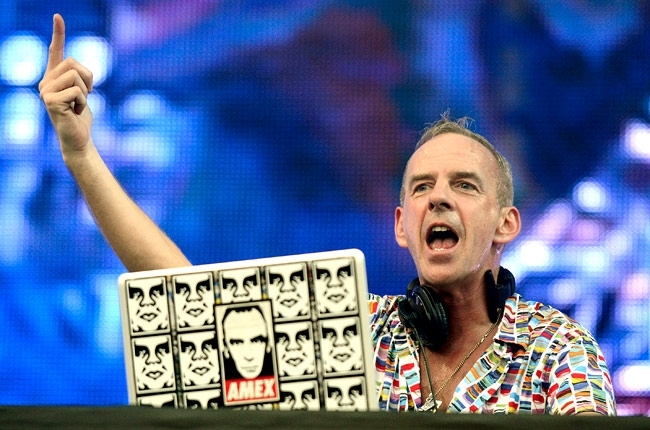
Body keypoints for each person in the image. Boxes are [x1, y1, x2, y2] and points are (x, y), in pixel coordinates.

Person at [39, 14, 616, 414]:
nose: (438, 199)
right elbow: (185, 299)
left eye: (463, 185)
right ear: (401, 226)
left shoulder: (557, 349)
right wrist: (82, 156)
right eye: (421, 188)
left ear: (506, 224)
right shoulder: (353, 331)